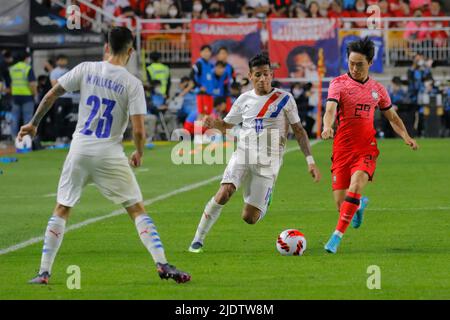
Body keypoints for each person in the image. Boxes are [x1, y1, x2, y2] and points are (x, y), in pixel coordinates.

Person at [19, 27, 191, 284]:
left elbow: (52, 94)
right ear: (130, 51)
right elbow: (140, 129)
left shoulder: (86, 69)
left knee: (62, 207)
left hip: (79, 149)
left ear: (106, 47)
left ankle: (44, 271)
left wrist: (34, 123)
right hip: (109, 153)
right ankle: (162, 263)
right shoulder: (132, 83)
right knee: (136, 209)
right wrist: (139, 152)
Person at [188, 53, 321, 253]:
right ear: (250, 76)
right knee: (224, 192)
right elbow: (225, 125)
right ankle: (198, 239)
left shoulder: (284, 99)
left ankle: (265, 199)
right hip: (243, 153)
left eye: (266, 74)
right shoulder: (244, 99)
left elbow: (299, 131)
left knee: (249, 218)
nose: (262, 79)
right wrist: (212, 123)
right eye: (258, 75)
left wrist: (310, 161)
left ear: (271, 74)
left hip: (269, 163)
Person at [321, 37, 419, 254]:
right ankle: (359, 205)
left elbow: (392, 117)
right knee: (342, 205)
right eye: (351, 63)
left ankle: (336, 238)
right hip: (341, 150)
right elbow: (330, 109)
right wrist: (327, 126)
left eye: (360, 64)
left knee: (355, 186)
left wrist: (406, 136)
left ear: (370, 63)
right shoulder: (338, 83)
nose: (355, 68)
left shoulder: (378, 90)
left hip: (366, 149)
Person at [9, 51, 37, 138]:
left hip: (15, 97)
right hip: (27, 97)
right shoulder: (27, 68)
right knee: (27, 119)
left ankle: (13, 138)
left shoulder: (12, 68)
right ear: (26, 58)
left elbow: (10, 83)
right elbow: (32, 84)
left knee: (14, 119)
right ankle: (26, 138)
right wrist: (35, 94)